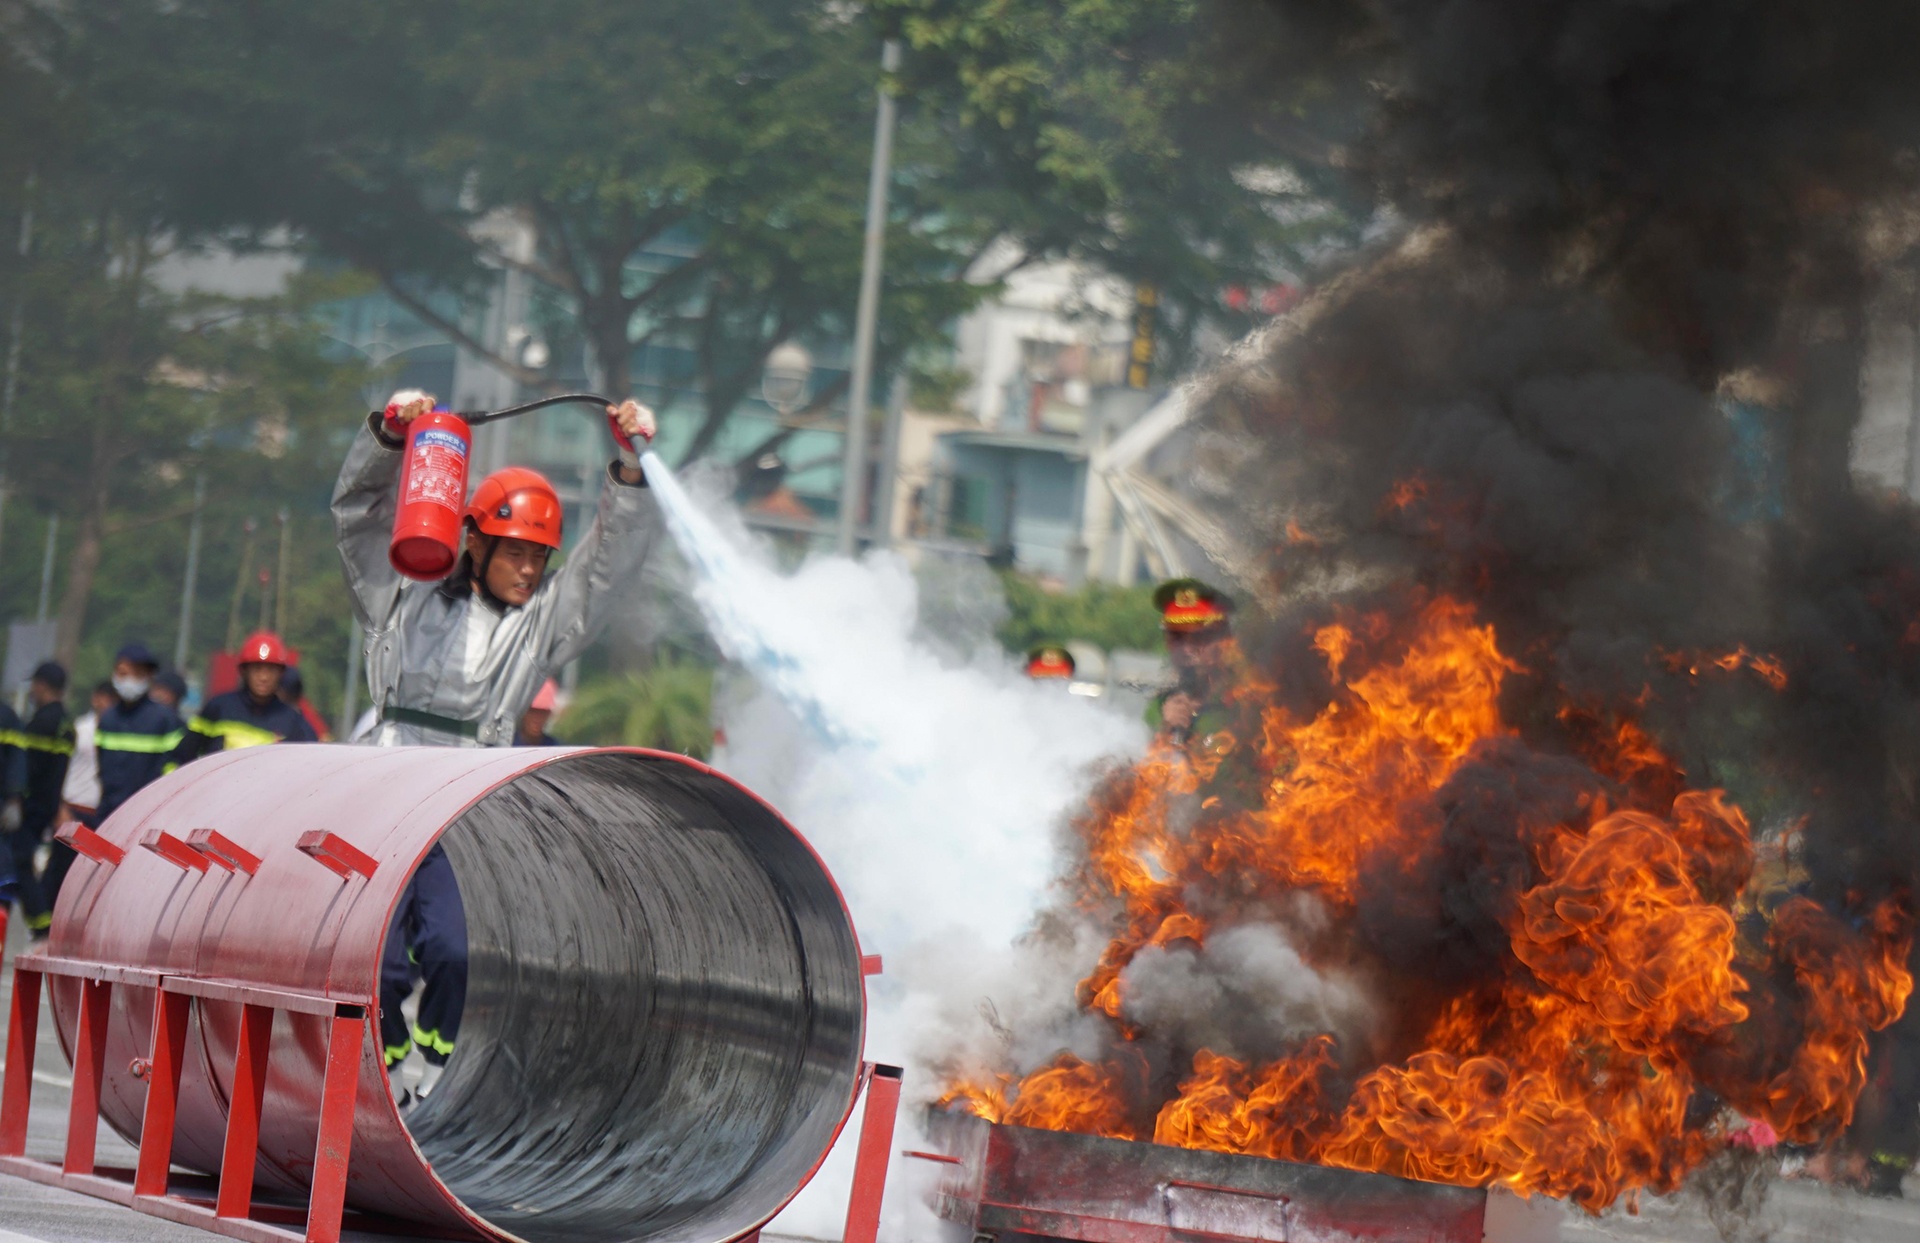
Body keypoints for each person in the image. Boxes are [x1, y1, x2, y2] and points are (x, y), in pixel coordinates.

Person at [338, 387, 659, 1100]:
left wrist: (629, 473)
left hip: (467, 812)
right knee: (381, 962)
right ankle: (383, 1072)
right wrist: (388, 438)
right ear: (472, 539)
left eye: (539, 557)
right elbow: (357, 519)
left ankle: (434, 1077)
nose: (529, 569)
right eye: (514, 551)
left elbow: (603, 572)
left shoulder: (540, 624)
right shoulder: (402, 591)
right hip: (384, 799)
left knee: (456, 950)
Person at [4, 663, 74, 938]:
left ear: (43, 685)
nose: (32, 690)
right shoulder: (64, 721)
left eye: (34, 685)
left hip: (31, 805)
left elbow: (28, 767)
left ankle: (41, 922)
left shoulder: (42, 722)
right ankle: (39, 921)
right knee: (19, 861)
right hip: (47, 805)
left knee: (18, 861)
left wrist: (15, 798)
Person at [180, 631, 318, 758]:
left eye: (270, 670)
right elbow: (184, 755)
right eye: (257, 669)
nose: (263, 677)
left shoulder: (292, 721)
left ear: (281, 674)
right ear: (244, 671)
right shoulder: (219, 708)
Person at [92, 643, 186, 827]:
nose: (129, 680)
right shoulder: (107, 720)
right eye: (123, 673)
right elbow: (103, 769)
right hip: (109, 814)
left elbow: (177, 768)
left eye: (137, 674)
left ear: (149, 677)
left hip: (150, 817)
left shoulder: (164, 720)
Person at [1147, 578, 1240, 747]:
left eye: (1198, 638)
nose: (1186, 649)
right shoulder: (1159, 707)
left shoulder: (1249, 702)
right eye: (1176, 637)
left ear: (1225, 640)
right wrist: (1166, 732)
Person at [513, 679, 562, 746]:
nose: (537, 718)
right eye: (533, 711)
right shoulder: (505, 747)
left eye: (542, 712)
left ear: (549, 713)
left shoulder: (556, 748)